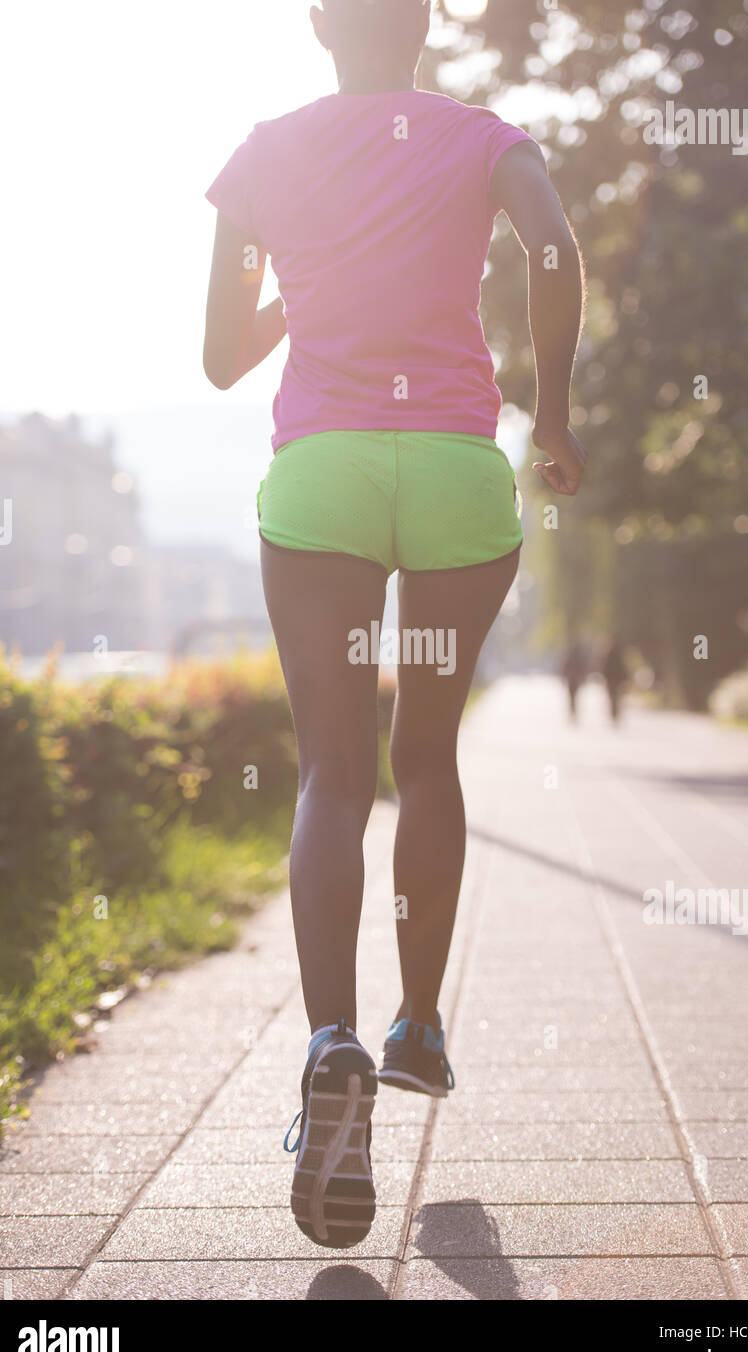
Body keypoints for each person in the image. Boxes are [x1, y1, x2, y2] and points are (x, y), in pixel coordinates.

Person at [203, 0, 586, 1249]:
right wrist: (561, 419)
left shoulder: (263, 154)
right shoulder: (485, 136)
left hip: (321, 474)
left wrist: (311, 288)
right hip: (456, 478)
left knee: (331, 769)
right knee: (427, 757)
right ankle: (418, 1025)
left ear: (319, 24)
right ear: (423, 21)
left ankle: (332, 1044)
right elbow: (555, 252)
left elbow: (219, 357)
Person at [601, 636, 627, 723]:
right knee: (613, 697)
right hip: (610, 679)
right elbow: (604, 669)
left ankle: (615, 713)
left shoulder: (613, 655)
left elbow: (621, 667)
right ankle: (614, 713)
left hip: (615, 679)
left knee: (615, 697)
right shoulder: (607, 655)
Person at [561, 639, 587, 722]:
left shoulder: (570, 657)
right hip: (573, 680)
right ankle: (573, 711)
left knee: (572, 697)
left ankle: (573, 711)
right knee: (573, 697)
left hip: (572, 680)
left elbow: (564, 668)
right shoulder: (576, 657)